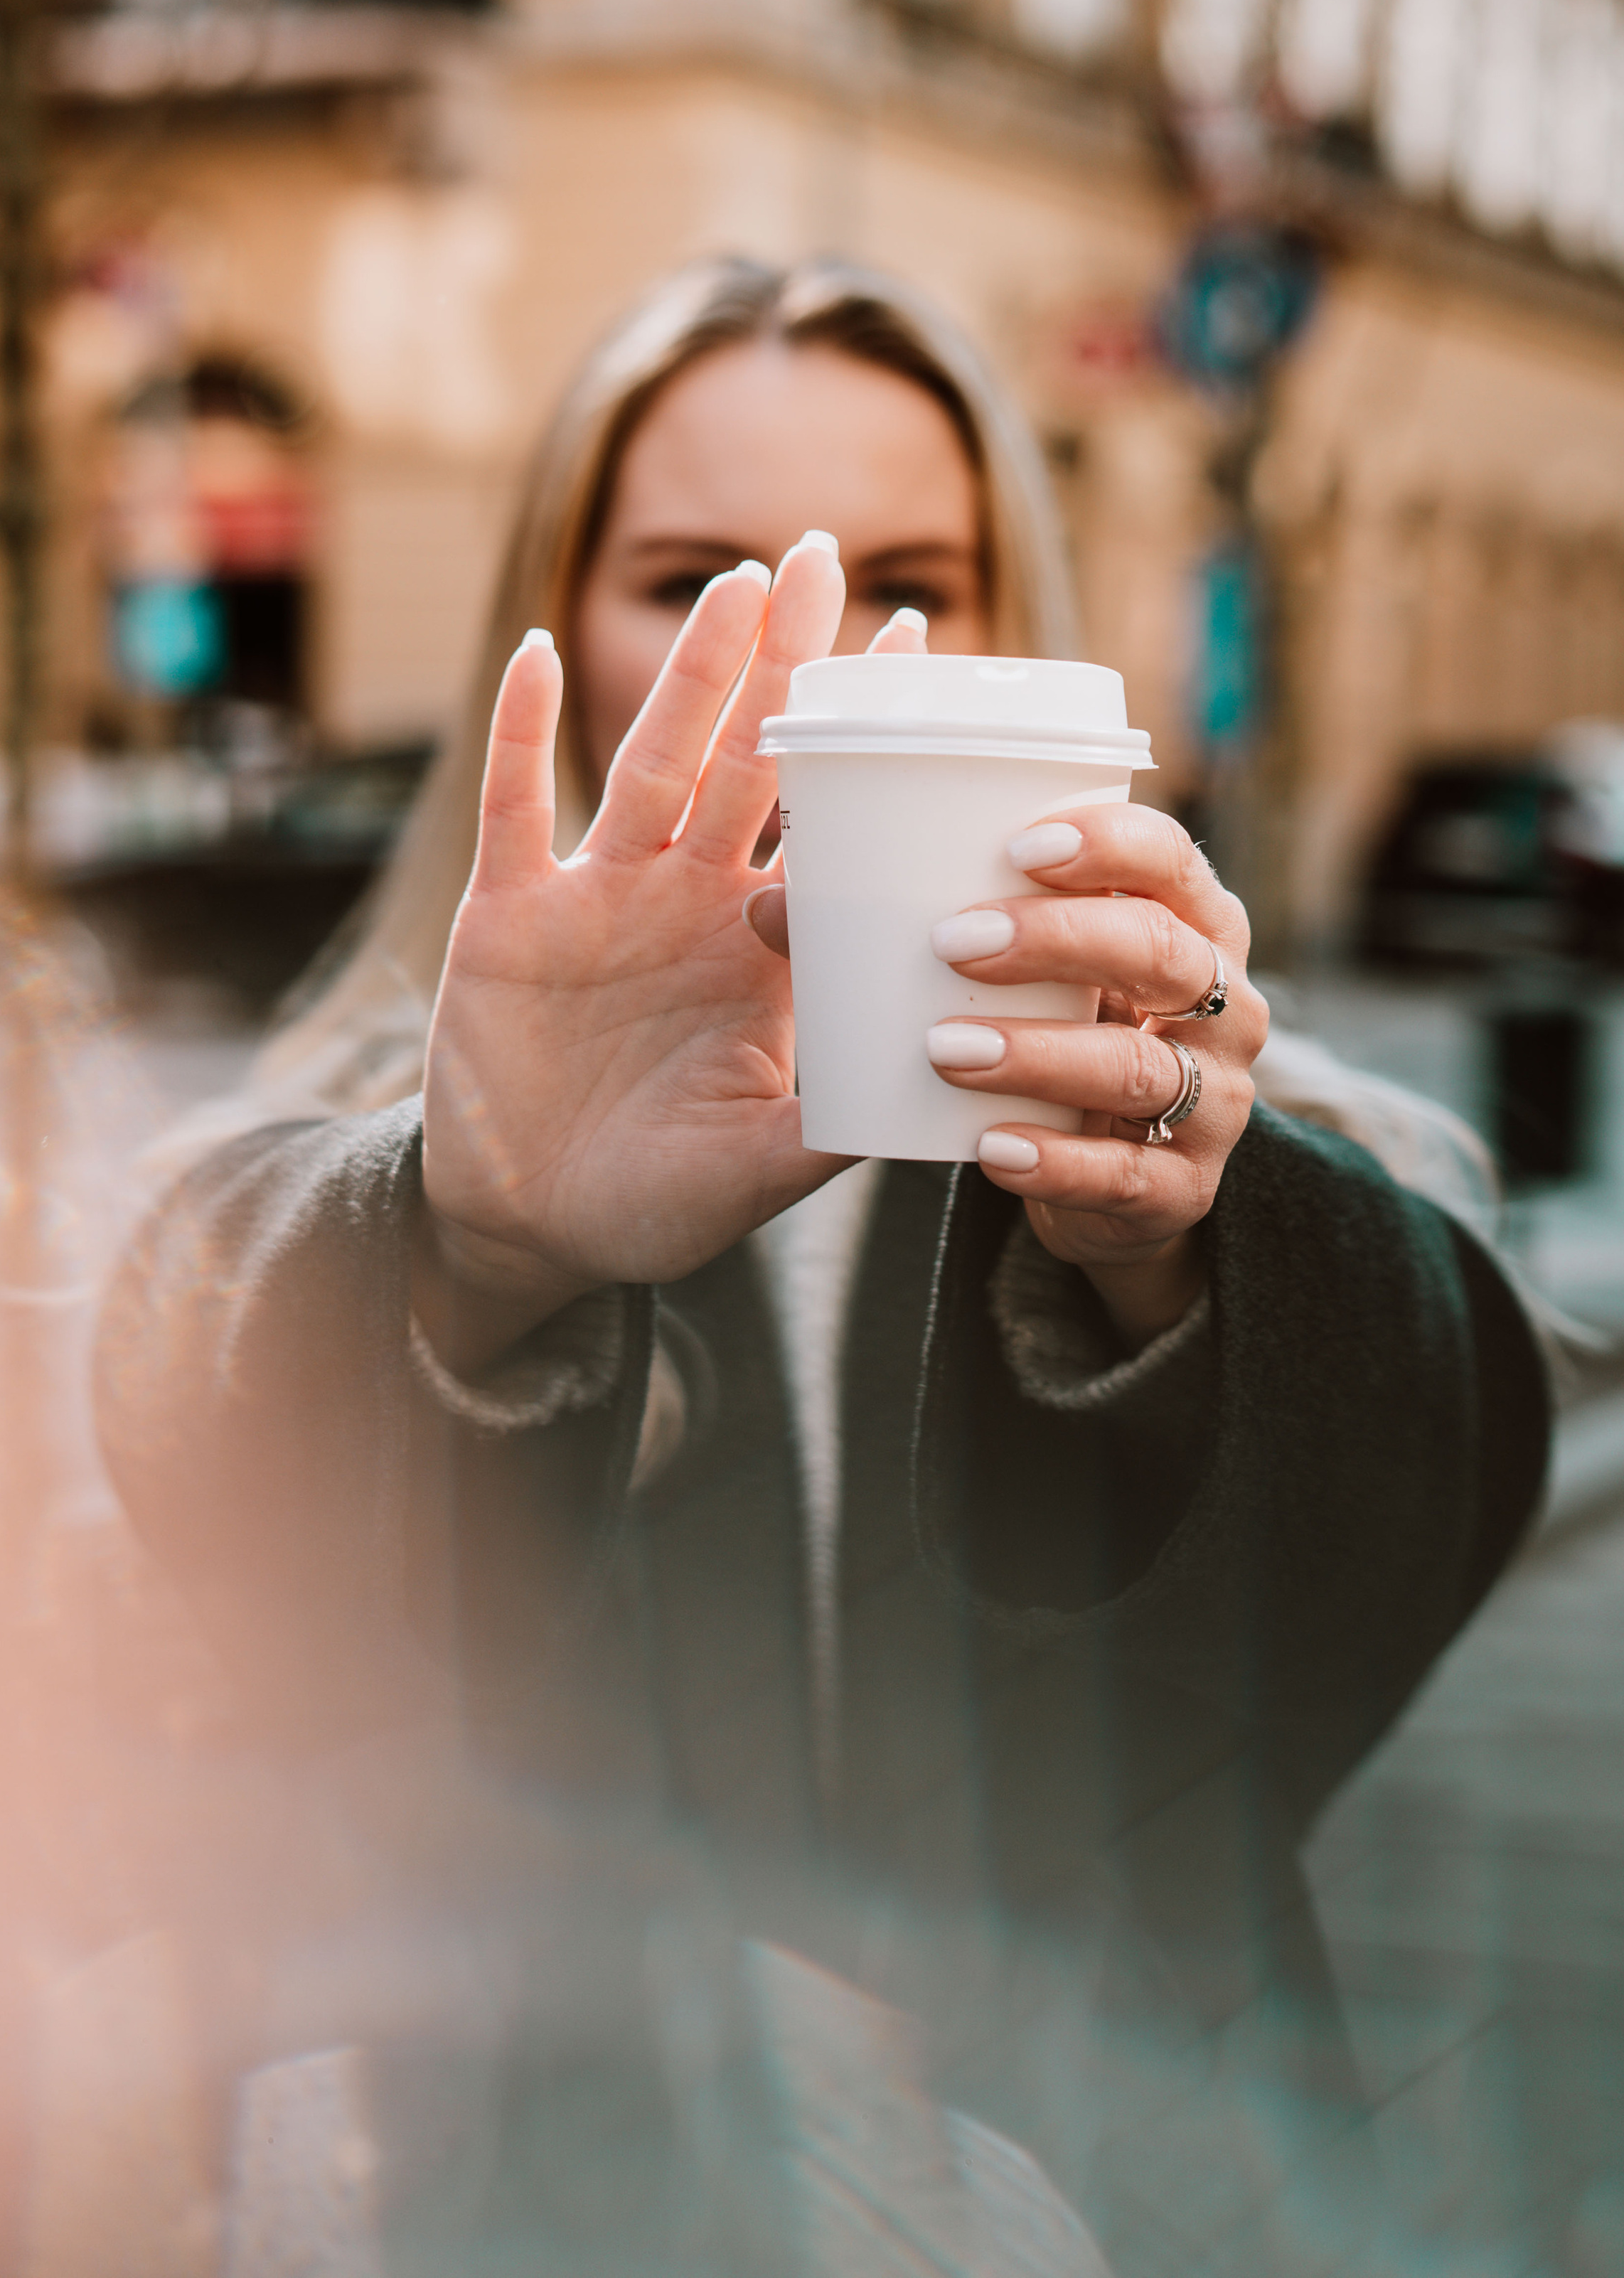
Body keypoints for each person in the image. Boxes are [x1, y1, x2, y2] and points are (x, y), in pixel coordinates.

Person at [94, 256, 1550, 2264]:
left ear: (1019, 631)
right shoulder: (397, 1137)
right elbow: (195, 1359)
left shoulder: (1207, 1151)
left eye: (909, 578)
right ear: (562, 630)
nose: (820, 660)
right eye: (700, 580)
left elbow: (1398, 1522)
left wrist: (1178, 1266)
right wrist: (461, 1240)